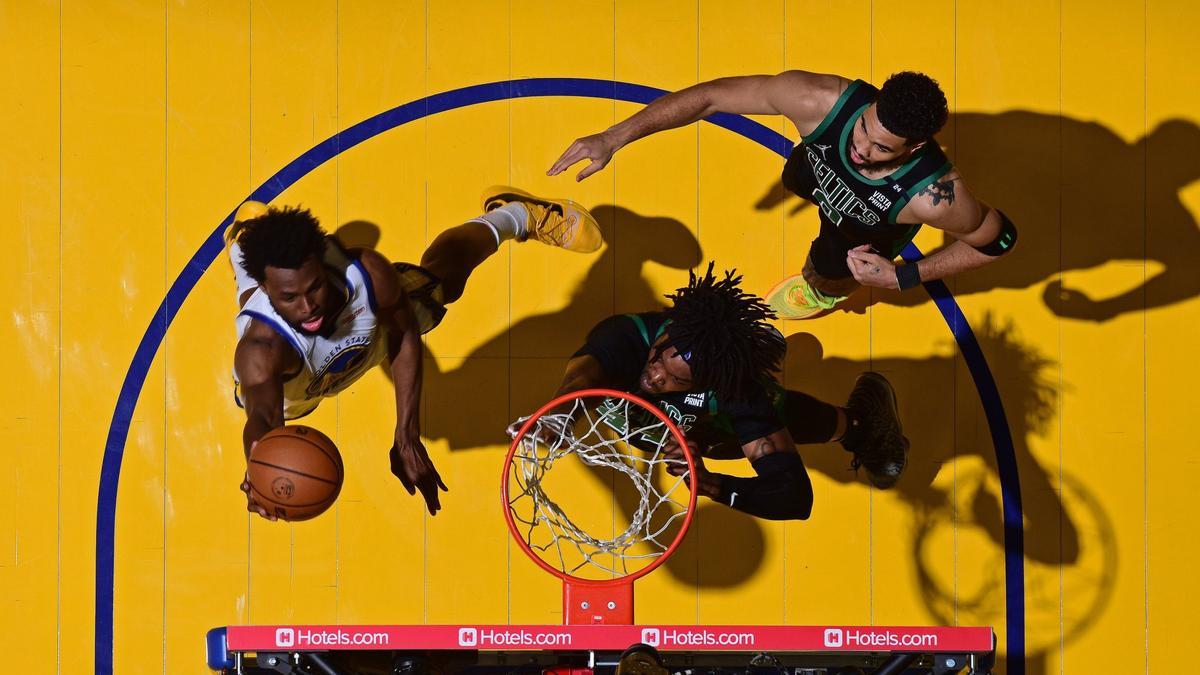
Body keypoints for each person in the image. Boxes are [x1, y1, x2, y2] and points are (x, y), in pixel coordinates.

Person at [226, 187, 602, 518]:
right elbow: (263, 418)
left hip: (362, 331)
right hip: (304, 387)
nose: (308, 307)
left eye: (314, 288)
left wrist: (407, 432)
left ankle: (516, 214)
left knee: (442, 285)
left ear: (325, 267)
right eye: (289, 298)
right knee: (252, 301)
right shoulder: (262, 351)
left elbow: (404, 333)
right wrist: (260, 469)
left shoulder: (367, 273)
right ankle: (245, 237)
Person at [548, 70, 1017, 319]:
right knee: (796, 176)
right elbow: (711, 97)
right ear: (869, 104)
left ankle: (825, 292)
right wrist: (615, 136)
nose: (860, 148)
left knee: (828, 272)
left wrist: (902, 278)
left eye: (880, 149)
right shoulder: (817, 100)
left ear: (914, 148)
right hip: (814, 175)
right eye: (863, 129)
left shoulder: (935, 196)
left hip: (860, 232)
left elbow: (996, 241)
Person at [521, 263, 909, 521]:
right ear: (666, 334)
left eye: (675, 380)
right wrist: (561, 414)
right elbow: (582, 382)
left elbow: (794, 497)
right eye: (658, 360)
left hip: (711, 428)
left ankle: (859, 424)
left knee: (765, 415)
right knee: (744, 413)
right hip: (656, 424)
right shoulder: (624, 336)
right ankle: (765, 352)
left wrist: (714, 485)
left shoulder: (735, 389)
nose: (655, 377)